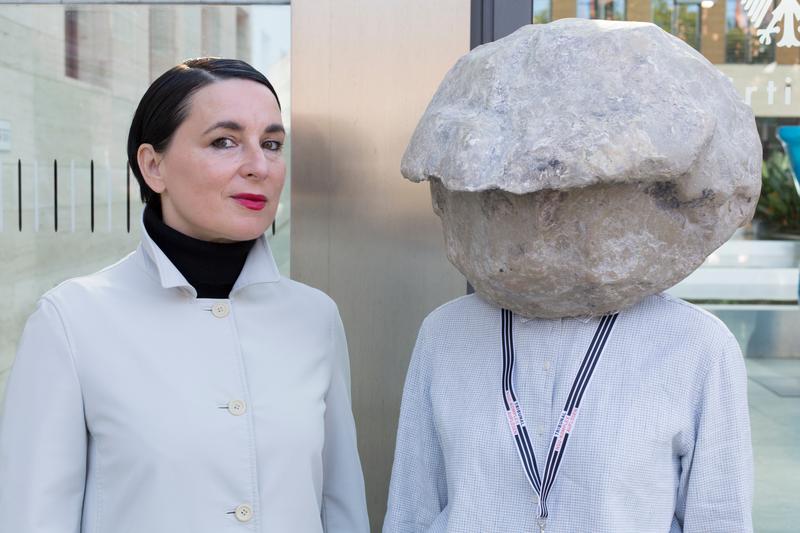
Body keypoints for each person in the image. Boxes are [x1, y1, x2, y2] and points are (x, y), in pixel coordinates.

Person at [0, 58, 369, 533]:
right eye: (224, 142)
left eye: (272, 144)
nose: (260, 166)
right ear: (153, 166)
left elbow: (341, 507)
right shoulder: (71, 321)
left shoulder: (315, 317)